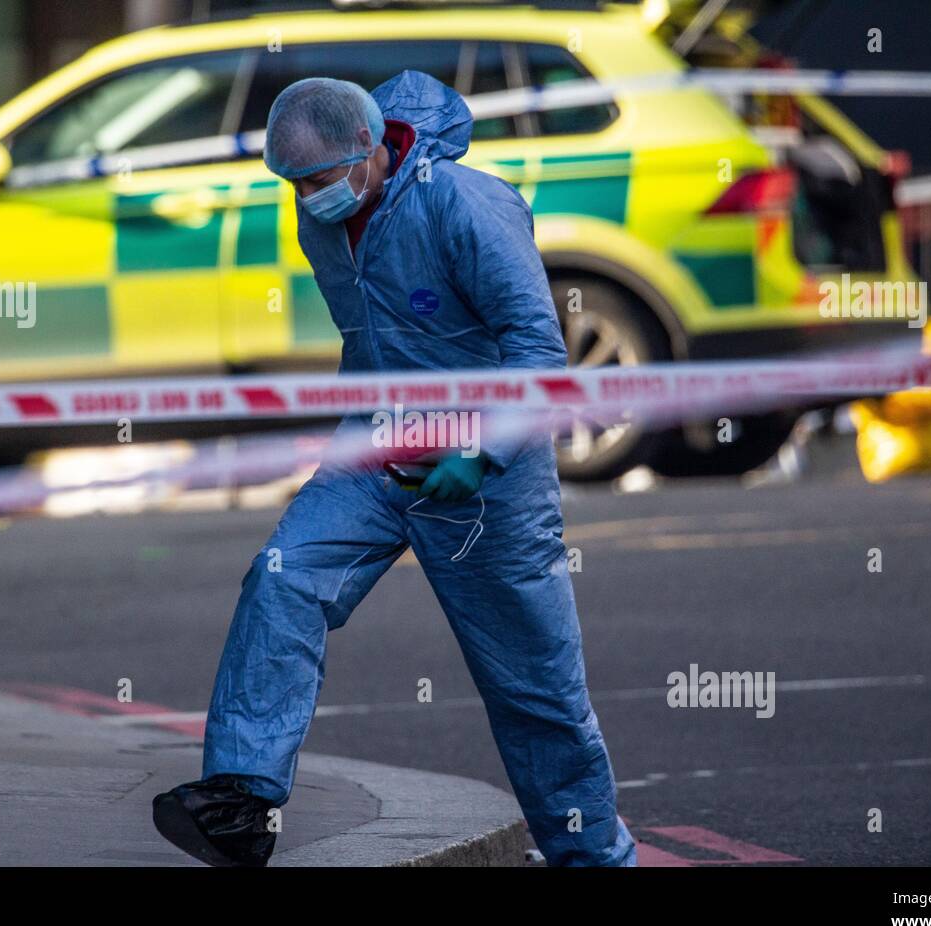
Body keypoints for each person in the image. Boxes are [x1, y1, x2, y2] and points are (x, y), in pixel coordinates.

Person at [153, 70, 636, 868]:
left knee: (534, 692)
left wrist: (479, 453)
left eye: (316, 180)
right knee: (281, 579)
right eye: (293, 184)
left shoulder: (466, 206)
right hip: (374, 454)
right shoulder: (322, 213)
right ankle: (240, 803)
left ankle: (592, 857)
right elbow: (368, 335)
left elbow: (541, 353)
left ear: (370, 151)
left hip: (486, 481)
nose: (308, 198)